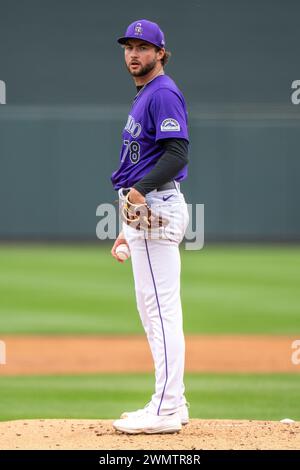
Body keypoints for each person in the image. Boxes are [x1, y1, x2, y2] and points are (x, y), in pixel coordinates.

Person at [111, 19, 190, 434]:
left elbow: (177, 152)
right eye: (129, 47)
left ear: (161, 52)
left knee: (161, 313)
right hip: (145, 211)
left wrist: (139, 192)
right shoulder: (147, 94)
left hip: (156, 205)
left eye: (143, 47)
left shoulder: (162, 92)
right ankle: (172, 402)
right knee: (154, 312)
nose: (134, 54)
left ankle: (165, 410)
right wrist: (129, 225)